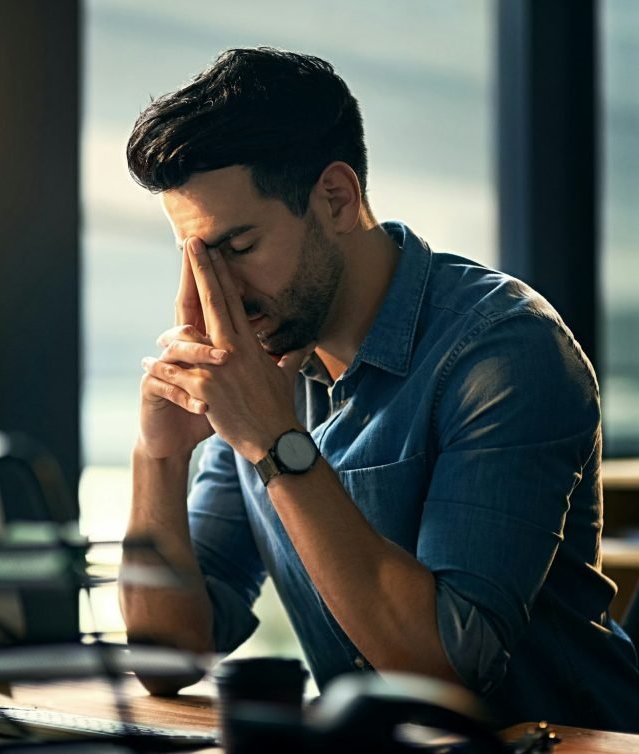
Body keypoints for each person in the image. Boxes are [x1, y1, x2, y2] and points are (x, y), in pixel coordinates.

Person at [119, 47, 639, 731]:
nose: (220, 293)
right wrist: (158, 455)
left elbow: (448, 672)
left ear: (335, 198)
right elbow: (169, 656)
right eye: (197, 258)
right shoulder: (261, 364)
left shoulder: (505, 352)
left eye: (238, 248)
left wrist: (277, 444)